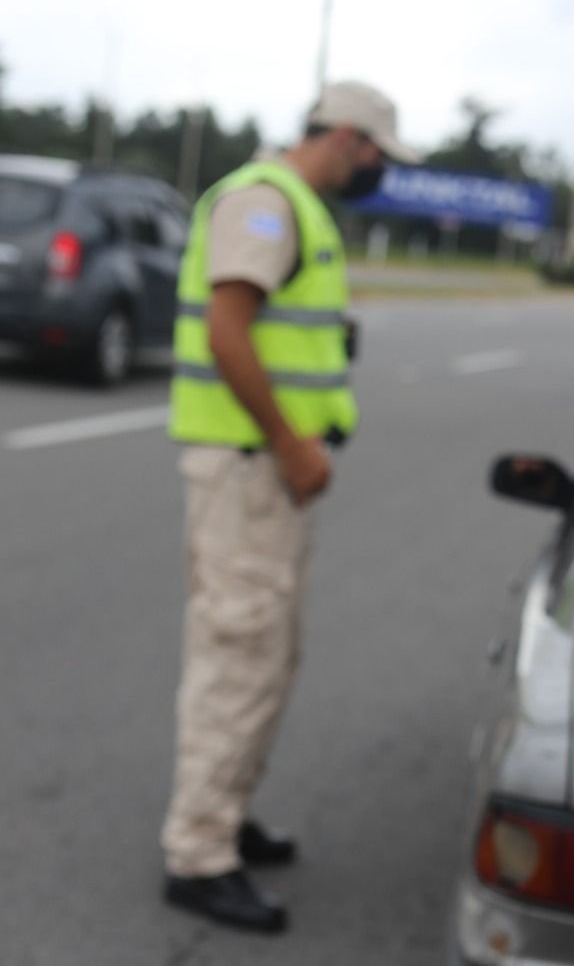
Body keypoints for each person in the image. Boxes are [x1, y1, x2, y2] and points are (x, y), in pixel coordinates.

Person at [160, 80, 417, 933]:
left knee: (267, 656)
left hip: (264, 474)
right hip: (249, 470)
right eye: (379, 153)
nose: (380, 171)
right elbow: (229, 328)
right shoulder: (267, 203)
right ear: (349, 138)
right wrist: (291, 442)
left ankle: (222, 813)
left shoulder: (294, 204)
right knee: (239, 656)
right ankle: (199, 854)